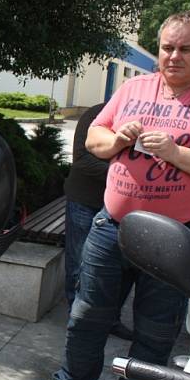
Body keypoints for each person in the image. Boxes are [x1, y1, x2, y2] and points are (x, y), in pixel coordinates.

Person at [34, 11, 190, 380]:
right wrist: (117, 138)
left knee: (155, 331)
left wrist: (175, 152)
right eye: (166, 47)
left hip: (175, 238)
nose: (172, 56)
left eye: (185, 48)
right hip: (111, 227)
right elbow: (95, 138)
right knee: (86, 316)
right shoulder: (134, 87)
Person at [64, 103, 133, 341]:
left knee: (125, 269)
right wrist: (131, 177)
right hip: (87, 202)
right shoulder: (97, 114)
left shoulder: (152, 121)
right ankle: (77, 320)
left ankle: (111, 320)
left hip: (126, 209)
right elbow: (83, 159)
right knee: (79, 265)